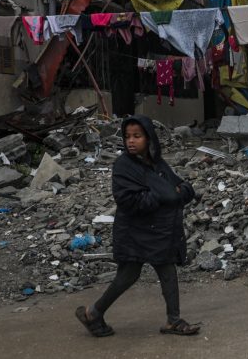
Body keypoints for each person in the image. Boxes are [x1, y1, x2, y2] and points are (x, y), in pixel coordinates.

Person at [75, 115, 200, 337]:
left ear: (148, 138)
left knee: (167, 269)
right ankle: (93, 313)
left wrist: (172, 193)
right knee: (128, 275)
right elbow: (128, 200)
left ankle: (173, 320)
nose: (131, 141)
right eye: (127, 136)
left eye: (137, 136)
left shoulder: (157, 163)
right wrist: (164, 194)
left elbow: (182, 188)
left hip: (158, 231)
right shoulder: (124, 166)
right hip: (133, 231)